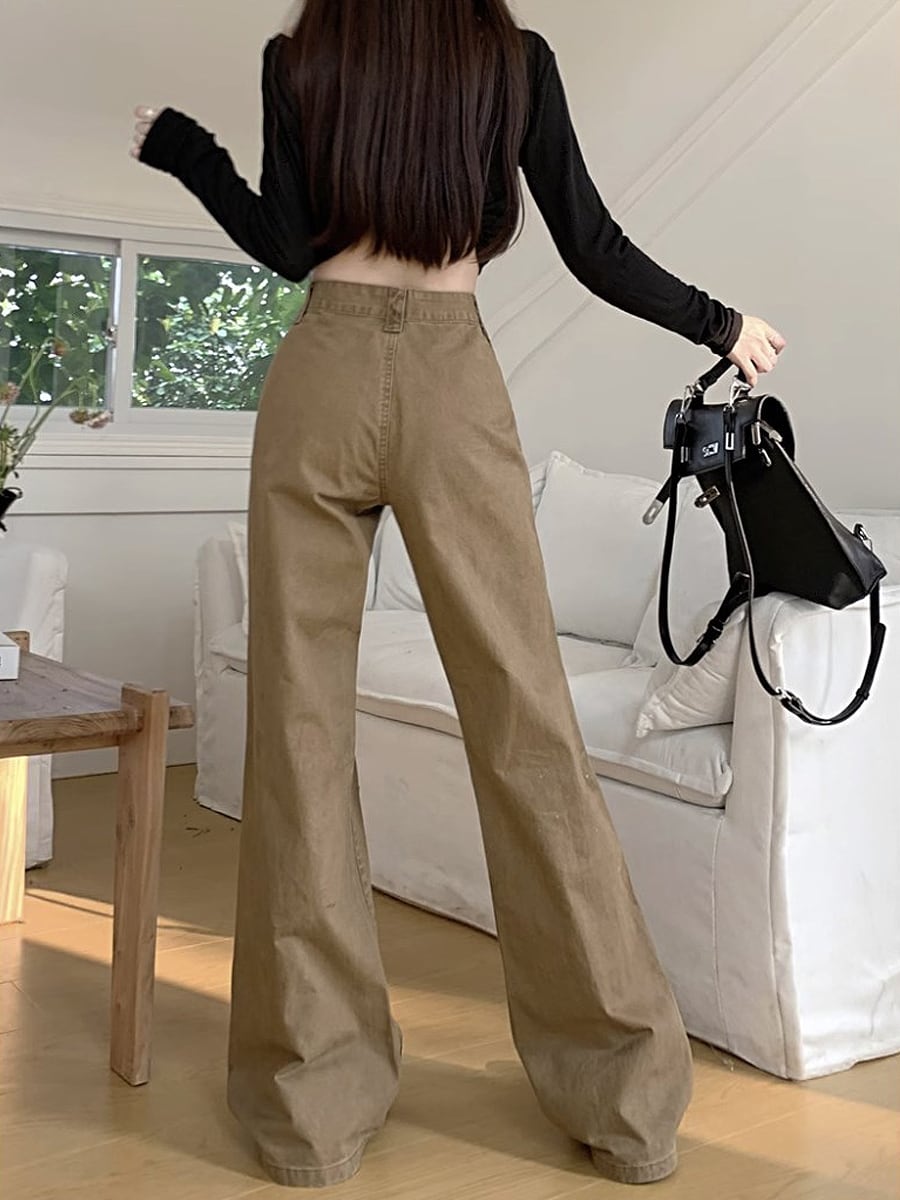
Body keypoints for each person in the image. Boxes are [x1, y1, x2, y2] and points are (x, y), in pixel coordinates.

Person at [132, 1, 785, 1189]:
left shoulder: (305, 56)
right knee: (529, 729)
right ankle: (627, 1105)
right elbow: (592, 243)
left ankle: (310, 1111)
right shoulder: (510, 61)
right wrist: (720, 322)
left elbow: (286, 244)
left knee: (297, 735)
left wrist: (185, 151)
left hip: (321, 380)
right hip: (449, 376)